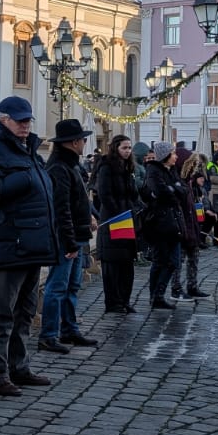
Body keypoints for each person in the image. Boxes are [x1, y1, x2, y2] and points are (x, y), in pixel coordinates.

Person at [0, 96, 58, 396]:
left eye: (27, 120)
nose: (25, 125)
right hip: (12, 240)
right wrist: (24, 179)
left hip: (33, 240)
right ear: (3, 119)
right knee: (4, 312)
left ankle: (19, 366)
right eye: (19, 120)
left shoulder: (27, 148)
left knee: (25, 311)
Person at [39, 118, 99, 353]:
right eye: (83, 140)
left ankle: (69, 329)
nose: (84, 143)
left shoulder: (71, 165)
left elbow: (78, 200)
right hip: (66, 237)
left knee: (72, 286)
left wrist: (89, 216)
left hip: (78, 234)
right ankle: (48, 335)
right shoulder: (59, 168)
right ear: (74, 142)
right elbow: (61, 209)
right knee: (57, 287)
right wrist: (70, 241)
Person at [94, 134, 139, 314]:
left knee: (127, 263)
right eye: (124, 148)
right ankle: (113, 302)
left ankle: (124, 300)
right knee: (113, 263)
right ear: (116, 148)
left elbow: (133, 194)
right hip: (114, 220)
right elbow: (105, 194)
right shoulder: (107, 167)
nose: (127, 151)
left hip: (127, 219)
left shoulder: (128, 168)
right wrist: (118, 213)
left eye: (129, 148)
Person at [141, 141, 183, 310]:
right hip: (159, 223)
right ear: (166, 155)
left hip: (173, 222)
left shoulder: (172, 171)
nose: (176, 156)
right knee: (161, 261)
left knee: (173, 261)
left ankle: (158, 295)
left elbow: (183, 190)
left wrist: (174, 189)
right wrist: (173, 190)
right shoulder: (154, 171)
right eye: (173, 153)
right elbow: (162, 192)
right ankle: (156, 296)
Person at [173, 155, 209, 298]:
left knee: (194, 256)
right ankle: (176, 287)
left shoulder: (190, 183)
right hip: (182, 226)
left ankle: (192, 286)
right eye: (193, 164)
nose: (195, 168)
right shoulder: (179, 181)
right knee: (179, 259)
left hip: (191, 223)